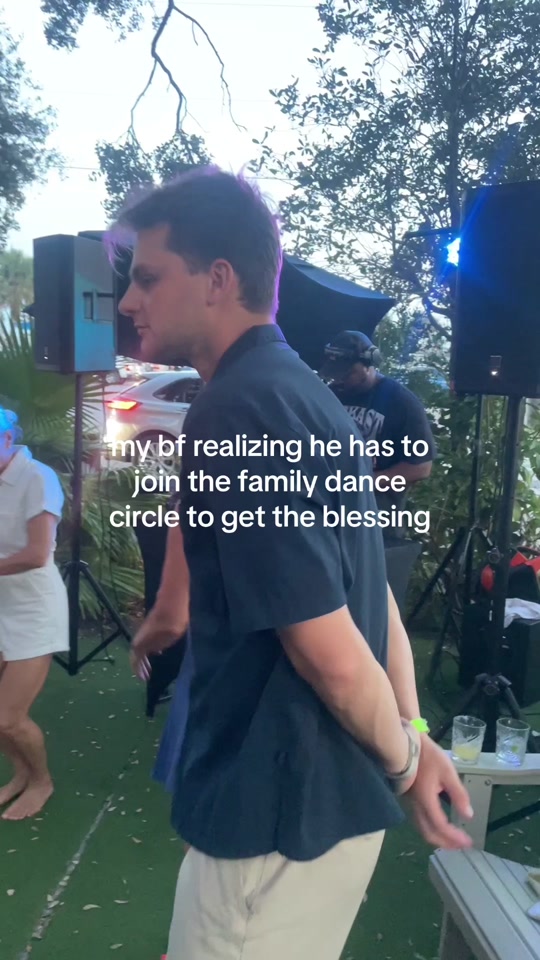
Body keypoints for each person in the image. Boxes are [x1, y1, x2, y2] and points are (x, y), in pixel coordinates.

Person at [110, 166, 473, 960]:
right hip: (305, 812)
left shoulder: (239, 408)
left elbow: (328, 649)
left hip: (276, 819)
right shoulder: (307, 398)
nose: (129, 300)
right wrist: (413, 733)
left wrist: (409, 758)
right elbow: (372, 593)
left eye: (148, 277)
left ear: (218, 279)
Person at [0, 407, 69, 820]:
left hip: (34, 609)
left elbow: (36, 553)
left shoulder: (38, 477)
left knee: (8, 717)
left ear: (8, 439)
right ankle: (20, 774)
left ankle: (42, 781)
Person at [320, 330, 435, 525]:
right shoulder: (328, 395)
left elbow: (421, 467)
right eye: (335, 374)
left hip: (377, 520)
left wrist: (365, 483)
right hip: (329, 513)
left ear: (369, 363)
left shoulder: (401, 402)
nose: (339, 380)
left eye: (347, 374)